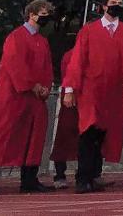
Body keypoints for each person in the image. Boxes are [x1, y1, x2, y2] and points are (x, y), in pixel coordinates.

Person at [0, 0, 55, 195]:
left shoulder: (42, 41)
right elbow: (15, 65)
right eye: (43, 13)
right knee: (2, 136)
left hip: (35, 98)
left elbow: (47, 68)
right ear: (32, 14)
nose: (46, 17)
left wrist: (45, 87)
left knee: (34, 137)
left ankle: (29, 180)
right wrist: (32, 85)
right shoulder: (16, 37)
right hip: (15, 96)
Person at [63, 0, 123, 194]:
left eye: (120, 3)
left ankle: (94, 175)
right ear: (104, 7)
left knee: (103, 135)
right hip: (91, 91)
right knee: (88, 133)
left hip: (114, 92)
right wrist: (70, 89)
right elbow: (77, 61)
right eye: (113, 3)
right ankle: (83, 178)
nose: (117, 6)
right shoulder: (88, 31)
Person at [49, 49, 78, 189]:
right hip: (72, 101)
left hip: (89, 101)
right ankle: (59, 174)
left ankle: (90, 173)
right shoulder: (70, 55)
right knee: (64, 136)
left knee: (91, 139)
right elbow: (69, 75)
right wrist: (69, 92)